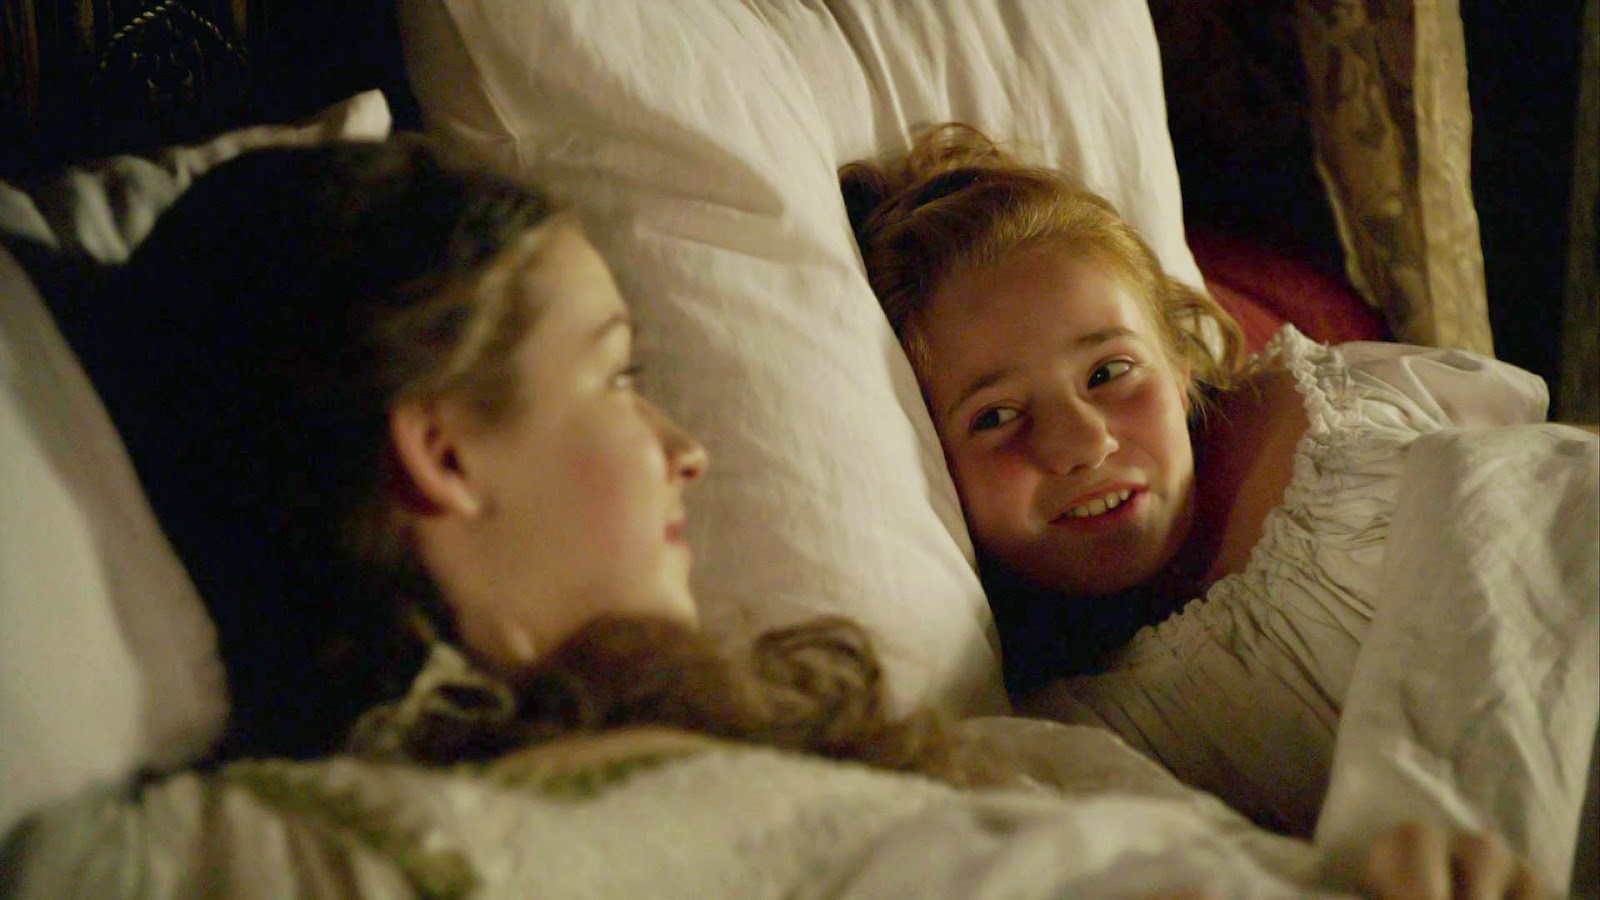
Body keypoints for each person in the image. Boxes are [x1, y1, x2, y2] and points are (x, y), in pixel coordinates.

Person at [0, 136, 1544, 898]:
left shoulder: (920, 744)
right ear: (443, 456)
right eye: (616, 378)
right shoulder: (265, 849)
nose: (685, 451)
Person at [840, 123, 1581, 839]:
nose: (1083, 444)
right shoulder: (1074, 740)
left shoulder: (1332, 405)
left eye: (1108, 372)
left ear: (1179, 363)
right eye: (997, 416)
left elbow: (1550, 479)